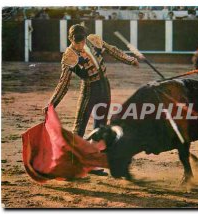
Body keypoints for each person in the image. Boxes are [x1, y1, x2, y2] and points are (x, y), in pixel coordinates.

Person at [43, 24, 139, 175]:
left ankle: (93, 164)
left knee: (100, 127)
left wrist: (129, 60)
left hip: (104, 87)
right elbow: (64, 83)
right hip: (89, 89)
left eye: (81, 40)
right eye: (76, 42)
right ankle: (71, 163)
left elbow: (112, 50)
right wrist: (52, 103)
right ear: (70, 39)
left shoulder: (94, 40)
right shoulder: (69, 56)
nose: (80, 44)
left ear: (85, 37)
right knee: (79, 127)